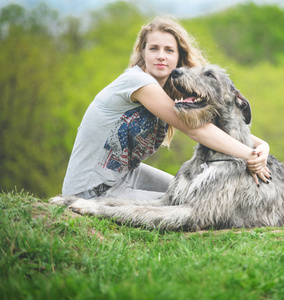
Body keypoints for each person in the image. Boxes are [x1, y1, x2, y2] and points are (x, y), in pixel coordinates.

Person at [62, 16, 271, 201]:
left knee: (187, 193)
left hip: (126, 175)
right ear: (142, 52)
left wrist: (262, 147)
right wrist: (250, 155)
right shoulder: (137, 82)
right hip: (89, 190)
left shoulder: (171, 94)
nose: (161, 56)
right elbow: (195, 130)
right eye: (154, 48)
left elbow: (211, 127)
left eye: (169, 50)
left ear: (178, 57)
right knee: (186, 203)